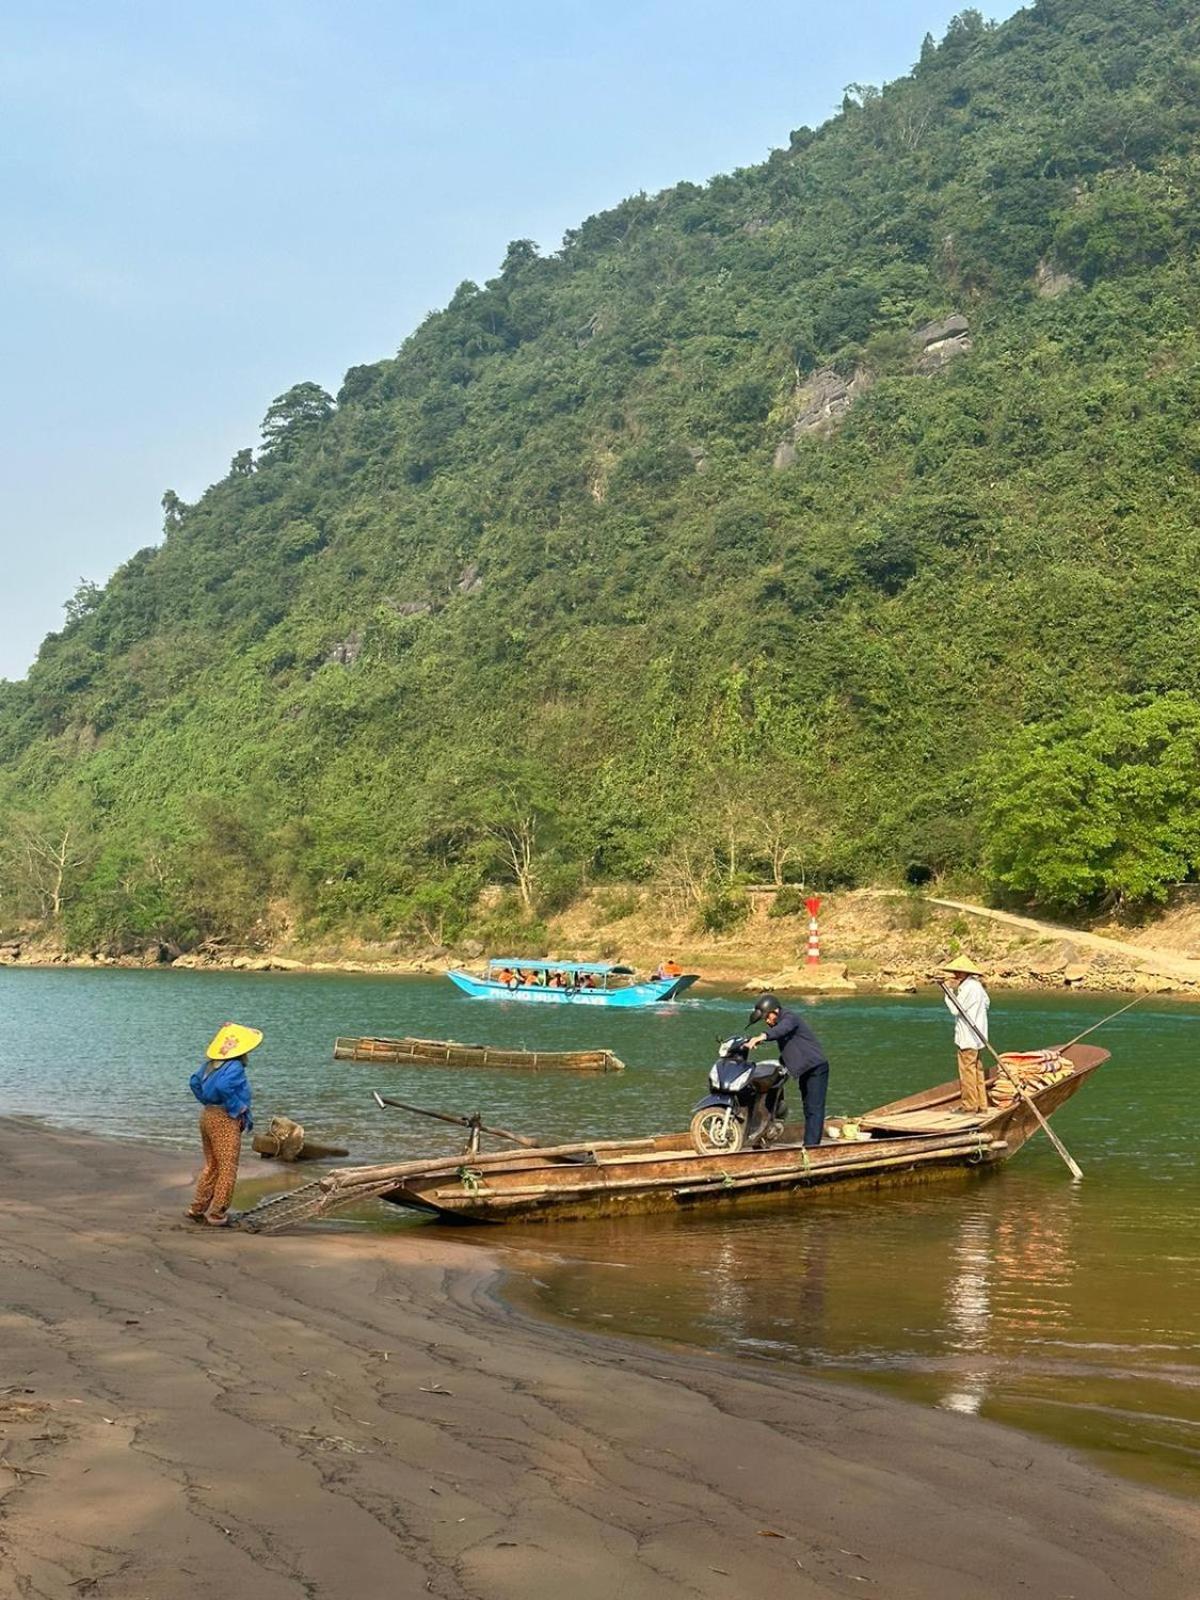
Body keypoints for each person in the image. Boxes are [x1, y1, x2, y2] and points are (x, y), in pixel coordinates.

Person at [187, 1022, 261, 1227]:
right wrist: (238, 1107)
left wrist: (207, 1100)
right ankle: (217, 1212)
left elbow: (194, 1082)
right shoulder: (235, 1065)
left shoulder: (211, 1063)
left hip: (208, 1115)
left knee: (212, 1165)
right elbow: (223, 1085)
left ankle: (198, 1207)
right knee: (227, 1167)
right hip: (224, 1119)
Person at [745, 992, 830, 1148]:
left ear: (774, 1011)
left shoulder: (789, 1018)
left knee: (814, 1107)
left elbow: (781, 1030)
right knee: (807, 1107)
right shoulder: (779, 1024)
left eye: (767, 1017)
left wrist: (762, 1036)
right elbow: (786, 1043)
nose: (766, 1021)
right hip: (804, 1070)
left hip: (816, 1068)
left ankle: (811, 1147)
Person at [940, 957, 990, 1113]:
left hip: (968, 1037)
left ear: (962, 973)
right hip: (979, 1036)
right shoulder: (978, 987)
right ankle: (982, 1104)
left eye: (956, 972)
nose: (954, 974)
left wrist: (948, 993)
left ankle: (970, 1106)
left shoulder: (968, 988)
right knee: (977, 1071)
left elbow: (956, 1009)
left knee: (967, 1072)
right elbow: (987, 1004)